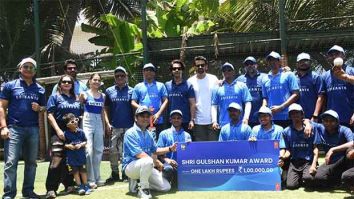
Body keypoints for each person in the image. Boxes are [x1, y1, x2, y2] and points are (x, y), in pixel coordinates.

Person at [0, 58, 46, 199]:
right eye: (25, 66)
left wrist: (40, 108)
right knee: (11, 162)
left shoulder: (40, 89)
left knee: (31, 162)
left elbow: (44, 108)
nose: (28, 69)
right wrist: (3, 127)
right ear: (20, 68)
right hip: (14, 129)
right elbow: (2, 107)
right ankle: (9, 194)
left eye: (31, 67)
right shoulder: (9, 86)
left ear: (35, 71)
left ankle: (28, 192)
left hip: (33, 129)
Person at [123, 106, 177, 199]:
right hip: (130, 168)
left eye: (147, 116)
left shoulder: (148, 133)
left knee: (166, 187)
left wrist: (170, 149)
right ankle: (144, 190)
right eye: (142, 116)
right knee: (148, 160)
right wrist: (156, 162)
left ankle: (139, 184)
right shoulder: (130, 133)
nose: (145, 118)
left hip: (146, 165)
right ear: (136, 118)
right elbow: (139, 154)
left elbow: (155, 150)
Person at [45, 75, 83, 199]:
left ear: (72, 85)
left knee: (70, 160)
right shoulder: (54, 97)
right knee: (57, 159)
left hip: (73, 134)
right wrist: (58, 130)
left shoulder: (77, 98)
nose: (67, 83)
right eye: (64, 81)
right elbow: (50, 115)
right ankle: (51, 189)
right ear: (60, 84)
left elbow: (81, 115)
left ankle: (69, 185)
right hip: (58, 133)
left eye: (69, 82)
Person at [303, 110, 353, 188]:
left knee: (350, 151)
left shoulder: (344, 130)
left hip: (344, 161)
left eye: (332, 121)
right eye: (326, 121)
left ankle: (344, 178)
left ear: (337, 122)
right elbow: (305, 120)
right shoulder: (321, 127)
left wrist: (333, 149)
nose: (328, 123)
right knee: (319, 178)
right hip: (330, 161)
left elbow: (352, 143)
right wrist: (308, 125)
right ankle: (338, 180)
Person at [104, 66, 134, 183]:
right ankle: (115, 173)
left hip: (129, 126)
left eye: (122, 75)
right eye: (117, 76)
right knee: (113, 151)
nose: (120, 77)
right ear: (114, 78)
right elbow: (105, 109)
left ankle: (126, 173)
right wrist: (107, 123)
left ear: (126, 76)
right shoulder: (109, 91)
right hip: (114, 126)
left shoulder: (132, 90)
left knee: (126, 151)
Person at [281, 104, 320, 189]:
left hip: (308, 161)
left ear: (302, 114)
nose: (295, 115)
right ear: (289, 116)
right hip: (294, 162)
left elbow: (315, 149)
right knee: (291, 185)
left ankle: (307, 175)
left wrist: (313, 164)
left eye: (297, 113)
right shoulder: (286, 131)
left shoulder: (312, 129)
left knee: (309, 179)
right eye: (292, 113)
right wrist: (282, 157)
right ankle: (299, 177)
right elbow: (288, 150)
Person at [248, 106, 287, 187]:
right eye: (260, 116)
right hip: (259, 163)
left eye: (265, 116)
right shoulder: (255, 129)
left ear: (270, 117)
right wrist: (251, 142)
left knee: (281, 180)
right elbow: (251, 151)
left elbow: (282, 148)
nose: (262, 118)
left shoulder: (279, 129)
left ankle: (283, 172)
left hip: (274, 163)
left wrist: (281, 159)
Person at [79, 73, 105, 188]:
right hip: (87, 120)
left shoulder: (103, 95)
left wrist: (104, 126)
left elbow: (102, 112)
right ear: (90, 81)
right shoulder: (84, 94)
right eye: (94, 80)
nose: (96, 82)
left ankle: (97, 177)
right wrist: (81, 98)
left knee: (99, 150)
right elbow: (80, 102)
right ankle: (90, 179)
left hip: (98, 121)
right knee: (88, 150)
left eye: (98, 80)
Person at [262, 51, 300, 127]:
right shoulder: (265, 78)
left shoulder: (289, 74)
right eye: (269, 60)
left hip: (288, 117)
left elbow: (296, 94)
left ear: (279, 61)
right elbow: (265, 98)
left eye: (274, 60)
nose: (272, 62)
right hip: (271, 118)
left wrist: (281, 107)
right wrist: (264, 109)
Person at [131, 63, 168, 139]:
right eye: (146, 70)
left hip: (157, 119)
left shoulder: (161, 85)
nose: (149, 72)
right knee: (143, 141)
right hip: (143, 120)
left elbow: (166, 100)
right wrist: (144, 110)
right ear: (143, 72)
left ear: (154, 73)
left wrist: (158, 114)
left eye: (151, 70)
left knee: (158, 142)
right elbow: (133, 102)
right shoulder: (138, 86)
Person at [212, 62, 252, 129]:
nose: (226, 72)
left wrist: (246, 118)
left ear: (233, 72)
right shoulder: (217, 87)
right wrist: (214, 121)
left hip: (240, 124)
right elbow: (214, 106)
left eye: (229, 70)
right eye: (224, 70)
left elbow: (248, 103)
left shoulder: (242, 85)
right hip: (223, 125)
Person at [157, 110, 192, 186]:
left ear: (181, 120)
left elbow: (190, 153)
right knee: (168, 169)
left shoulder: (187, 135)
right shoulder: (163, 134)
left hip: (183, 165)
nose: (176, 120)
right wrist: (166, 160)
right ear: (170, 120)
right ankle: (166, 181)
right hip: (168, 164)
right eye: (174, 118)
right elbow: (157, 152)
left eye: (178, 118)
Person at [187, 56, 219, 141]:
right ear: (194, 67)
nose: (200, 67)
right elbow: (191, 103)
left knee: (213, 149)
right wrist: (192, 120)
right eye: (198, 65)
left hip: (213, 121)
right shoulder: (190, 81)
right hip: (198, 121)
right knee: (201, 150)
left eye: (202, 65)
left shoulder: (214, 79)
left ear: (206, 66)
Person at [322, 45, 354, 127]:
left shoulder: (351, 71)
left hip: (351, 119)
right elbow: (324, 99)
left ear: (343, 56)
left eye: (337, 53)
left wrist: (346, 77)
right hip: (332, 121)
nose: (334, 56)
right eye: (331, 55)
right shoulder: (325, 76)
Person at [62, 113, 91, 195]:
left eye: (76, 120)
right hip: (72, 157)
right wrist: (68, 146)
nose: (75, 122)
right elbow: (64, 144)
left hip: (81, 156)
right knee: (75, 172)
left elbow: (85, 141)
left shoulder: (81, 132)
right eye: (72, 121)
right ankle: (80, 186)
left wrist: (81, 144)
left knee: (83, 171)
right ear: (67, 125)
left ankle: (86, 186)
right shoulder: (66, 134)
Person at [165, 59, 196, 132]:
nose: (176, 70)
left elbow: (192, 104)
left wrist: (192, 120)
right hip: (171, 121)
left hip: (185, 121)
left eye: (179, 68)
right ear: (171, 71)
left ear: (182, 70)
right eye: (174, 68)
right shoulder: (167, 85)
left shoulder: (188, 85)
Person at [237, 56, 267, 126]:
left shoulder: (264, 77)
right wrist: (222, 81)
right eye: (247, 64)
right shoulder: (240, 79)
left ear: (256, 65)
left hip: (262, 116)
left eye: (251, 63)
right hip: (246, 118)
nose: (249, 66)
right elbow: (230, 84)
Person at [295, 53, 324, 121]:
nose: (303, 63)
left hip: (313, 117)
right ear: (297, 64)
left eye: (306, 61)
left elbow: (321, 97)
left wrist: (315, 115)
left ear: (310, 62)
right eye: (301, 61)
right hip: (297, 117)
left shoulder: (316, 77)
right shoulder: (294, 78)